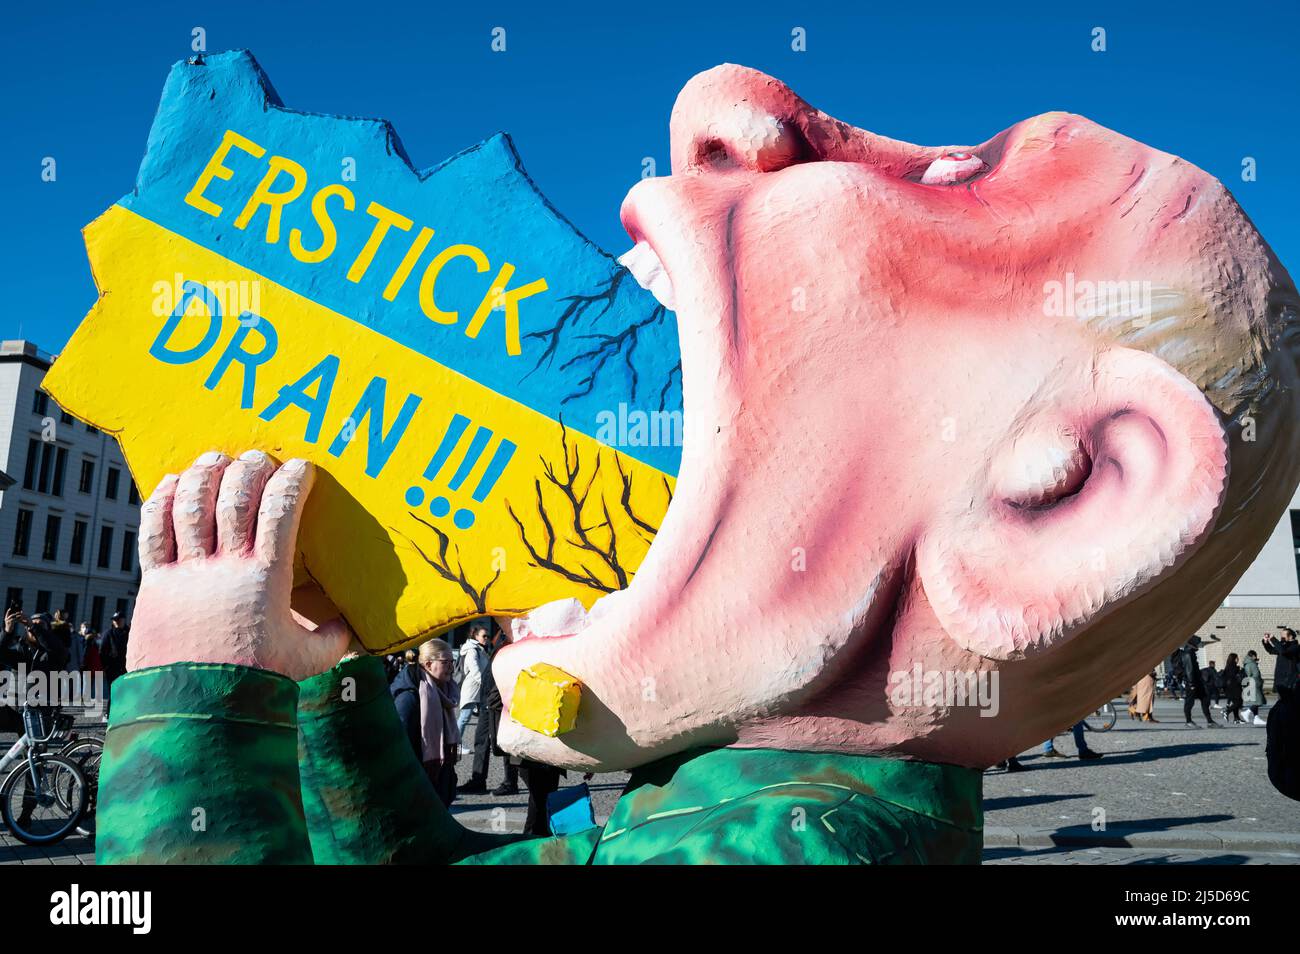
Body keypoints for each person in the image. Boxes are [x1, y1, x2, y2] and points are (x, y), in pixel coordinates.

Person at [390, 638, 460, 807]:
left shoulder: (444, 689)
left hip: (440, 781)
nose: (452, 667)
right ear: (428, 664)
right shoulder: (409, 696)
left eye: (453, 661)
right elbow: (401, 746)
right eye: (446, 662)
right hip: (420, 783)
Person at [459, 622, 519, 796]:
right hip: (489, 701)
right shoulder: (500, 641)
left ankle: (510, 781)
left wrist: (495, 697)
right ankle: (478, 780)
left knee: (505, 742)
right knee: (481, 740)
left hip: (498, 702)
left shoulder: (510, 642)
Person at [455, 624, 490, 738]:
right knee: (464, 717)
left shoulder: (480, 649)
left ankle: (482, 743)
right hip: (472, 688)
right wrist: (486, 684)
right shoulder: (472, 650)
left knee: (484, 718)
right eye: (484, 636)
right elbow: (475, 671)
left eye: (487, 636)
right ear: (476, 636)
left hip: (479, 688)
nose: (486, 638)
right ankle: (456, 745)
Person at [1179, 636, 1220, 727]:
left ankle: (1210, 721)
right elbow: (1189, 670)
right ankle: (1188, 721)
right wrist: (1191, 683)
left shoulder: (1191, 653)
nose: (1199, 645)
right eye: (1197, 643)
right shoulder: (1188, 654)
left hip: (1197, 681)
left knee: (1205, 699)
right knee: (1189, 702)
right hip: (1192, 683)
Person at [100, 611, 130, 717]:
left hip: (126, 667)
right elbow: (102, 651)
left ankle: (123, 712)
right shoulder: (109, 633)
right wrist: (105, 666)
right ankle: (109, 713)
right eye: (114, 620)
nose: (116, 622)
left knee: (126, 691)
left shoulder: (129, 632)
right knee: (113, 691)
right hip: (112, 668)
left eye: (118, 620)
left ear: (123, 620)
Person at [1263, 627, 1299, 698]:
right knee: (1281, 702)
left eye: (1283, 636)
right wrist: (1266, 642)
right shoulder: (1283, 646)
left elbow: (1283, 651)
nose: (1281, 638)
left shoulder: (1295, 647)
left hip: (1288, 680)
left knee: (1287, 703)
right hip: (1280, 679)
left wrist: (1273, 639)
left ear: (1290, 636)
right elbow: (1272, 651)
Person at [79, 622, 103, 704]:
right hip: (92, 664)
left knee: (87, 681)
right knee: (87, 682)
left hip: (90, 664)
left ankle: (85, 696)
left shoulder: (91, 641)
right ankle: (85, 696)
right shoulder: (90, 641)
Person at [1243, 650, 1267, 725]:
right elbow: (1256, 674)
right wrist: (1260, 681)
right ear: (1253, 656)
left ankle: (1256, 718)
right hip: (1255, 683)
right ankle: (1246, 712)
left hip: (1251, 683)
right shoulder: (1252, 664)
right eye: (1255, 656)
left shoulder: (1247, 663)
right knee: (1259, 701)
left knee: (1255, 701)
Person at [1222, 653, 1245, 724]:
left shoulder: (1228, 666)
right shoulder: (1233, 667)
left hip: (1230, 687)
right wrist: (1240, 670)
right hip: (1234, 687)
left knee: (1235, 702)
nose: (1238, 659)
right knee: (1239, 702)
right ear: (1234, 659)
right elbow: (1234, 676)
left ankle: (1236, 718)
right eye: (1237, 658)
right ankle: (1226, 711)